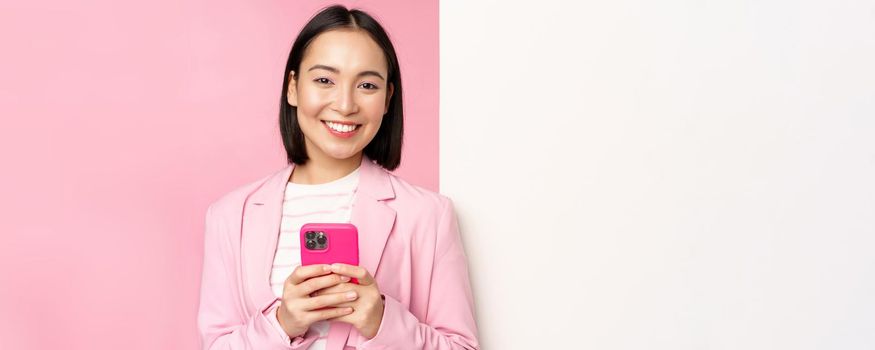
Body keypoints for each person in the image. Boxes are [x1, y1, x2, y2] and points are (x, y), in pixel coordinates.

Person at [196, 5, 480, 350]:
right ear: (293, 88)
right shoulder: (230, 216)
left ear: (388, 99)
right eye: (324, 80)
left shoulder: (428, 215)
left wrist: (382, 322)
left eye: (367, 85)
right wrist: (282, 325)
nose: (345, 105)